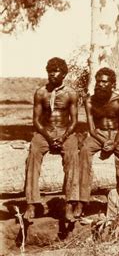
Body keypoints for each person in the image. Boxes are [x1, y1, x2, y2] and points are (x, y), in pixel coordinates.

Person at [24, 58, 79, 220]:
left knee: (73, 157)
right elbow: (36, 120)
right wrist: (48, 137)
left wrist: (63, 137)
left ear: (64, 74)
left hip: (65, 132)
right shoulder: (40, 93)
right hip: (44, 132)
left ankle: (69, 204)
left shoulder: (71, 93)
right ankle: (31, 205)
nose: (52, 74)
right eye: (50, 71)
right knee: (33, 155)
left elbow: (74, 121)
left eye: (56, 71)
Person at [77, 67, 119, 218]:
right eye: (98, 81)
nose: (100, 84)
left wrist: (114, 143)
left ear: (112, 84)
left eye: (104, 82)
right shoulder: (90, 101)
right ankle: (82, 200)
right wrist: (104, 141)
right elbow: (92, 128)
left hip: (116, 134)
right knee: (84, 151)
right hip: (98, 134)